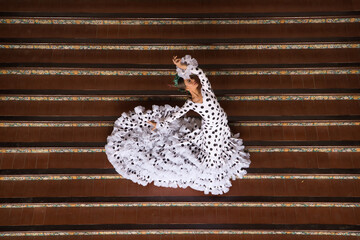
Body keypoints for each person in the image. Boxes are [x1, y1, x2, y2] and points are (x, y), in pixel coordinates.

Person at [105, 55, 250, 195]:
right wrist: (159, 124)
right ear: (186, 88)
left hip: (222, 125)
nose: (193, 81)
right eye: (189, 82)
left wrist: (183, 67)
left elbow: (200, 73)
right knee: (213, 158)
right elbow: (175, 116)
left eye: (191, 79)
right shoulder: (191, 103)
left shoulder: (206, 89)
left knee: (223, 146)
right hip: (212, 132)